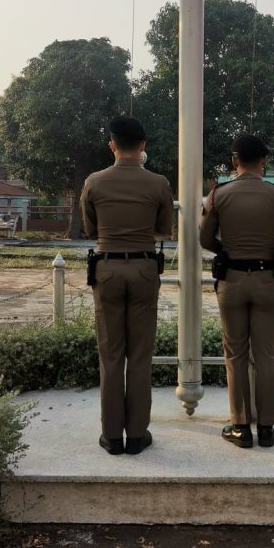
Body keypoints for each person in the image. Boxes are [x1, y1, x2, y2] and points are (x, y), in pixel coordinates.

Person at [80, 115, 173, 456]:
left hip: (107, 269)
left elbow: (90, 229)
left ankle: (111, 436)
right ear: (143, 146)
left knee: (111, 356)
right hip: (145, 270)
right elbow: (164, 228)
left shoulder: (94, 182)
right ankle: (136, 435)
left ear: (112, 145)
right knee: (140, 356)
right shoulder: (159, 183)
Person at [199, 133, 274, 449]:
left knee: (236, 354)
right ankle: (266, 428)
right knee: (266, 353)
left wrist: (226, 249)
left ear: (234, 160)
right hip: (267, 280)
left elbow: (205, 239)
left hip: (232, 280)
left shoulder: (218, 195)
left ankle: (240, 428)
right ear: (264, 161)